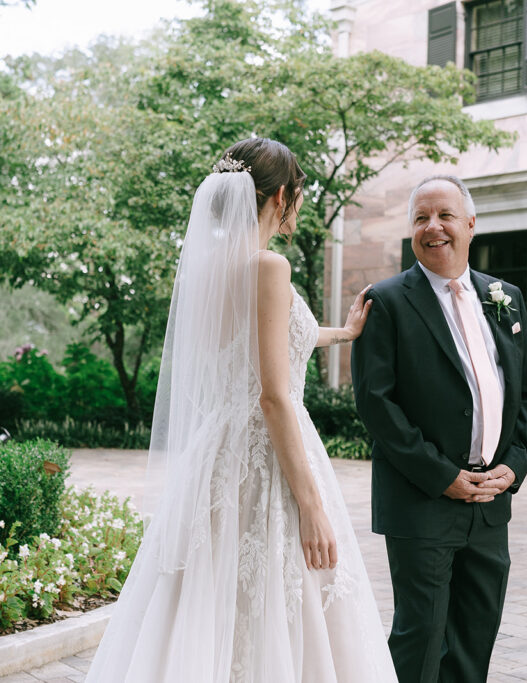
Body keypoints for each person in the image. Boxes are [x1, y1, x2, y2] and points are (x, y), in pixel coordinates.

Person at [85, 138, 398, 682]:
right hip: (269, 452)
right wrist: (311, 504)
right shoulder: (269, 267)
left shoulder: (206, 273)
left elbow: (263, 346)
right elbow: (273, 394)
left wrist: (342, 334)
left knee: (208, 596)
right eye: (298, 196)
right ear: (281, 196)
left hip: (217, 453)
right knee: (277, 598)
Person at [351, 175, 527, 682]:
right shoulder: (386, 301)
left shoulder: (508, 298)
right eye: (420, 218)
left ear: (471, 225)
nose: (432, 227)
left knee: (475, 638)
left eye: (445, 215)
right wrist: (443, 476)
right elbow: (376, 406)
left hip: (489, 505)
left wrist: (513, 468)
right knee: (420, 638)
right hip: (421, 501)